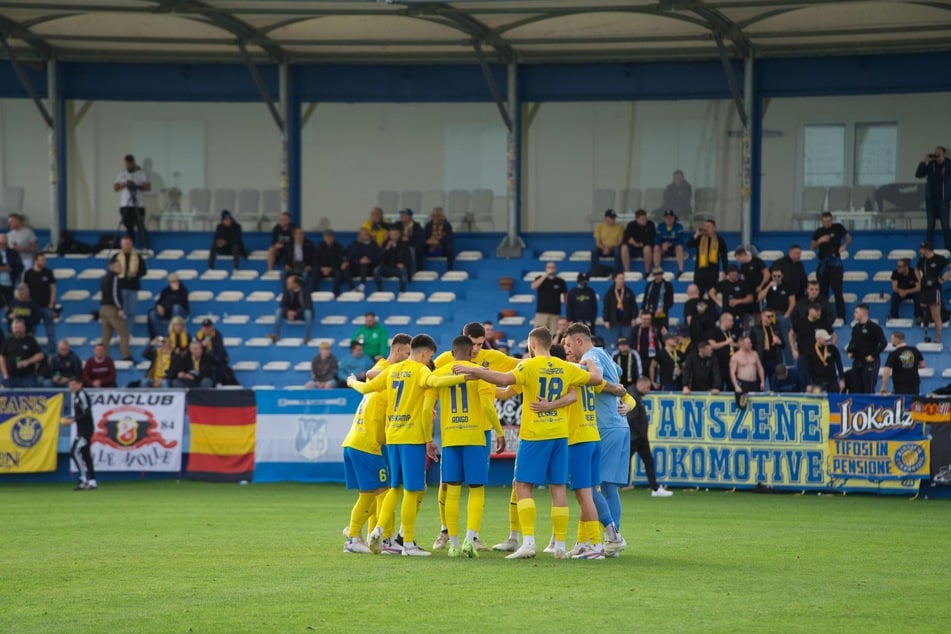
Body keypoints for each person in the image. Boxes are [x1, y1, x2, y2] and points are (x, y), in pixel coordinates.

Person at [452, 326, 601, 560]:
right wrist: (592, 362)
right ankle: (560, 545)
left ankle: (528, 542)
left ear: (532, 345)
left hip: (534, 434)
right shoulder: (565, 367)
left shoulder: (528, 366)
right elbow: (595, 379)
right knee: (558, 488)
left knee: (522, 485)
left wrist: (478, 372)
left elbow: (503, 379)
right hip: (560, 434)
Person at [354, 334, 468, 557]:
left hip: (393, 436)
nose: (429, 361)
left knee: (395, 488)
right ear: (425, 353)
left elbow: (367, 388)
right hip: (412, 437)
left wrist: (351, 382)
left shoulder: (392, 369)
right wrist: (464, 378)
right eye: (430, 357)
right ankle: (407, 544)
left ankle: (379, 531)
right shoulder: (421, 370)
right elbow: (435, 383)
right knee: (412, 490)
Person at [427, 336, 502, 558]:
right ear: (472, 352)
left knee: (452, 491)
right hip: (475, 437)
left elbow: (426, 409)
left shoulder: (439, 373)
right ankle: (470, 540)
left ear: (452, 352)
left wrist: (427, 438)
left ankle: (453, 544)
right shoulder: (480, 372)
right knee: (477, 490)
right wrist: (498, 431)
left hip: (450, 438)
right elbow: (488, 405)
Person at [562, 323, 629, 556]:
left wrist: (565, 366)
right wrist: (619, 392)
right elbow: (617, 374)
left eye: (569, 344)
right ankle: (612, 541)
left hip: (606, 427)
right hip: (618, 425)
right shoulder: (604, 353)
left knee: (587, 488)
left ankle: (613, 536)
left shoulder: (591, 356)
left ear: (580, 341)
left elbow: (595, 376)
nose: (568, 348)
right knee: (608, 487)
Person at [626, 376, 672, 497]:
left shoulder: (634, 395)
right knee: (628, 460)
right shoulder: (633, 396)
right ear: (641, 385)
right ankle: (620, 483)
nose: (648, 390)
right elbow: (631, 417)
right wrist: (640, 432)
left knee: (647, 461)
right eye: (647, 387)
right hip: (635, 437)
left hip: (638, 437)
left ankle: (655, 488)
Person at [811, 212, 851, 322]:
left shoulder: (838, 228)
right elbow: (812, 247)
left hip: (835, 264)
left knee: (838, 292)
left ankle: (841, 318)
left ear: (831, 219)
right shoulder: (819, 232)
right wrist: (820, 241)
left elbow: (848, 237)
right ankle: (823, 318)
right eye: (824, 222)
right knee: (822, 294)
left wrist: (844, 245)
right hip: (823, 264)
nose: (826, 223)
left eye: (828, 221)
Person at [846, 303, 887, 394]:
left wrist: (873, 355)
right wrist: (849, 351)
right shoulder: (856, 328)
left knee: (868, 386)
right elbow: (853, 341)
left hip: (870, 361)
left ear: (864, 313)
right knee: (856, 386)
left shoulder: (874, 327)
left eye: (856, 312)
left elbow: (883, 343)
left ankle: (870, 406)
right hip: (857, 360)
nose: (854, 314)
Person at [915, 146, 951, 250]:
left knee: (945, 226)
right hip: (931, 200)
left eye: (939, 153)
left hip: (943, 200)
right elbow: (918, 174)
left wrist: (943, 161)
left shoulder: (948, 164)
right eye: (935, 153)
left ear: (944, 154)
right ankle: (928, 248)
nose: (936, 155)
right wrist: (924, 162)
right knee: (930, 225)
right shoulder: (931, 165)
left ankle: (948, 248)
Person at [65, 376, 98, 490]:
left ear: (80, 384)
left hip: (86, 430)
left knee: (73, 451)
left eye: (73, 384)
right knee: (85, 455)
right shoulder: (76, 396)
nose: (71, 387)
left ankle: (83, 478)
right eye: (70, 385)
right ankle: (92, 481)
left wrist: (73, 419)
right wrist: (73, 418)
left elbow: (87, 412)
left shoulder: (82, 395)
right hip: (83, 429)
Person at [759, 268, 796, 366]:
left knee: (786, 339)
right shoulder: (769, 286)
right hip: (771, 316)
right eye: (774, 276)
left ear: (782, 276)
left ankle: (790, 363)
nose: (776, 278)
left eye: (778, 276)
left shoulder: (787, 286)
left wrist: (787, 314)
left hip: (783, 314)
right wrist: (768, 287)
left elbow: (792, 301)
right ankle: (778, 363)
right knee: (774, 339)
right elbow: (760, 297)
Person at [916, 240, 950, 343]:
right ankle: (926, 332)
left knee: (936, 316)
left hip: (935, 289)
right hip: (924, 288)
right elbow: (916, 270)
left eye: (922, 249)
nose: (920, 251)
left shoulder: (939, 258)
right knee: (926, 312)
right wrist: (919, 280)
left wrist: (943, 279)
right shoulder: (922, 260)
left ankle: (937, 338)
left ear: (927, 250)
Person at [114, 153, 151, 248]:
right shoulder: (122, 173)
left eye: (130, 164)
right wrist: (124, 184)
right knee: (129, 227)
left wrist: (136, 186)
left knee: (140, 226)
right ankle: (131, 247)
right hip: (126, 204)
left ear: (133, 163)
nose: (128, 166)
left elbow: (147, 186)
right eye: (127, 164)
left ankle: (145, 247)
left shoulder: (141, 173)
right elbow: (115, 187)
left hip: (138, 205)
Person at [111, 237, 147, 334]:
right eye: (124, 244)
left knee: (131, 312)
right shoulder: (116, 256)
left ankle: (129, 332)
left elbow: (144, 271)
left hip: (133, 287)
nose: (126, 246)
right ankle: (120, 332)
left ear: (132, 245)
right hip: (120, 287)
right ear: (121, 245)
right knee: (120, 312)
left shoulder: (138, 257)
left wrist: (136, 274)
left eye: (128, 244)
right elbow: (111, 271)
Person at [22, 253, 56, 355]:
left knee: (50, 331)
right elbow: (25, 290)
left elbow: (53, 289)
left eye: (44, 260)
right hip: (33, 308)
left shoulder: (48, 273)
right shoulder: (28, 274)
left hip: (46, 306)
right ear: (36, 261)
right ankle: (30, 350)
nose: (44, 262)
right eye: (42, 260)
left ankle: (52, 352)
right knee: (32, 331)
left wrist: (51, 303)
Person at [686, 218, 728, 298]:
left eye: (709, 226)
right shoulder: (700, 238)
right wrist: (696, 235)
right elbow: (689, 245)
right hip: (700, 271)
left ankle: (711, 310)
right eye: (705, 226)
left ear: (714, 228)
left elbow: (724, 256)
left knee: (712, 294)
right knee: (698, 294)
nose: (706, 228)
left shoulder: (720, 240)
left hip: (713, 271)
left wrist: (725, 271)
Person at [99, 260, 132, 361]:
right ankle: (126, 356)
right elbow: (115, 294)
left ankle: (103, 357)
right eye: (118, 266)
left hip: (103, 308)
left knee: (106, 336)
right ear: (111, 267)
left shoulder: (104, 278)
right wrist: (120, 308)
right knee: (124, 333)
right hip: (112, 309)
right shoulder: (114, 278)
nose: (120, 268)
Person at [710, 264, 754, 333]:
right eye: (731, 272)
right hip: (726, 315)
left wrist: (738, 301)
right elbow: (711, 292)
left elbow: (750, 298)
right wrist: (719, 302)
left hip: (739, 314)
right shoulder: (723, 283)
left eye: (735, 271)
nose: (733, 273)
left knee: (739, 335)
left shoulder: (743, 283)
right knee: (725, 335)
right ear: (728, 273)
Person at [270, 274, 314, 344]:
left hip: (301, 314)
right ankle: (276, 335)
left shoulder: (305, 291)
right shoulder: (287, 291)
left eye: (289, 283)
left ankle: (307, 337)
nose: (287, 284)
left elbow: (308, 306)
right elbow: (282, 305)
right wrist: (288, 312)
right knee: (278, 311)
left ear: (295, 284)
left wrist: (296, 312)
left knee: (308, 313)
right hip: (289, 313)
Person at [789, 302, 824, 386]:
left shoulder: (822, 323)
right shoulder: (800, 322)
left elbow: (833, 336)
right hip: (803, 356)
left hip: (817, 356)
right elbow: (790, 334)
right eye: (816, 310)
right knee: (803, 381)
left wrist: (830, 348)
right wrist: (793, 349)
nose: (819, 312)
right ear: (810, 311)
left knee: (817, 383)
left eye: (819, 310)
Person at [0, 319, 43, 387]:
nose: (17, 330)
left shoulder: (30, 340)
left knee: (31, 394)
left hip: (27, 377)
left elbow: (40, 355)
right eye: (15, 328)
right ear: (12, 329)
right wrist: (5, 374)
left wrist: (28, 361)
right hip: (10, 377)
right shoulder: (8, 340)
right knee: (4, 394)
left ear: (24, 328)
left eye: (19, 328)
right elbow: (2, 357)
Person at [880, 331, 924, 395]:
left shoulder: (894, 354)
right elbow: (922, 365)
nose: (891, 341)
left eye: (892, 339)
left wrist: (883, 387)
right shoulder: (915, 350)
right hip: (914, 384)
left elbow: (887, 370)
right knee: (913, 403)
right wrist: (910, 366)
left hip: (900, 385)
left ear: (897, 340)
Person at [147, 273, 189, 339]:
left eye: (176, 281)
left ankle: (174, 332)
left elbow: (181, 302)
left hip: (181, 312)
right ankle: (160, 336)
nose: (174, 283)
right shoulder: (166, 290)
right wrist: (159, 307)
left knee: (176, 308)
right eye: (172, 282)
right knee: (152, 313)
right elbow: (158, 302)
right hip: (167, 312)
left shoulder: (183, 290)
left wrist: (176, 291)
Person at [750, 309, 785, 388]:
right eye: (768, 316)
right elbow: (751, 346)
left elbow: (783, 345)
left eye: (772, 316)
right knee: (759, 384)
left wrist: (779, 341)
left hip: (774, 360)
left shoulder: (776, 329)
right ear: (762, 317)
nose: (770, 319)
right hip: (761, 360)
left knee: (775, 384)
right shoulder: (755, 329)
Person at [602, 270, 637, 347]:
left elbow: (633, 306)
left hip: (626, 321)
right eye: (620, 279)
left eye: (623, 279)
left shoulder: (628, 292)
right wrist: (606, 320)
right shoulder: (610, 293)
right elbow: (606, 307)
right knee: (614, 343)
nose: (622, 281)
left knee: (626, 341)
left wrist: (634, 318)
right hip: (614, 321)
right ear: (615, 279)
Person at [531, 261, 567, 333]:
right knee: (539, 334)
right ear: (545, 268)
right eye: (549, 267)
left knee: (553, 334)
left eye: (553, 267)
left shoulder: (560, 281)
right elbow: (533, 286)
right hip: (541, 313)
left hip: (555, 313)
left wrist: (567, 311)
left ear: (556, 269)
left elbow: (566, 297)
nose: (551, 269)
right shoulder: (540, 278)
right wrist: (546, 275)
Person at [683, 283, 719, 353]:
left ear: (687, 293)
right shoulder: (708, 303)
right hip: (711, 335)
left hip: (698, 338)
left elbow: (689, 320)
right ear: (698, 292)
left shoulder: (688, 304)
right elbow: (716, 317)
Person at [374, 227, 411, 294]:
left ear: (399, 235)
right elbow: (379, 257)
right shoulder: (385, 244)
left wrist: (403, 264)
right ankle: (380, 290)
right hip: (387, 267)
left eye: (395, 235)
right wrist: (387, 248)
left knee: (404, 272)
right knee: (377, 270)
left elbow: (409, 259)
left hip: (398, 269)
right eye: (391, 235)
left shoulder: (404, 245)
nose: (393, 237)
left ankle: (401, 291)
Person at [343, 227, 380, 292]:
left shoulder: (374, 244)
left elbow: (377, 257)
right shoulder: (355, 244)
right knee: (345, 266)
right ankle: (352, 288)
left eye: (366, 234)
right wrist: (347, 262)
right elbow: (349, 256)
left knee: (364, 263)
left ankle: (362, 285)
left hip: (369, 268)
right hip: (357, 266)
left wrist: (369, 260)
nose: (365, 236)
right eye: (362, 234)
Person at [807, 329, 845, 393]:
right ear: (818, 339)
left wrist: (842, 379)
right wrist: (808, 383)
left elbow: (839, 364)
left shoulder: (832, 349)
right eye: (825, 339)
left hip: (832, 380)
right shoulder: (810, 351)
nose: (827, 340)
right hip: (817, 382)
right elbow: (807, 368)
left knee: (834, 399)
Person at [620, 209, 655, 275]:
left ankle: (647, 272)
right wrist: (632, 242)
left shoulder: (650, 225)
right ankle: (627, 271)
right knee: (624, 248)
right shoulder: (631, 225)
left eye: (645, 218)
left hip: (644, 247)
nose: (645, 220)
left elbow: (652, 238)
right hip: (633, 248)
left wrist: (640, 244)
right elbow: (626, 238)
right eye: (642, 219)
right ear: (637, 219)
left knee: (647, 249)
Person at [195, 318, 229, 384]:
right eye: (205, 327)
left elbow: (219, 348)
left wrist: (211, 344)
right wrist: (201, 344)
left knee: (219, 362)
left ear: (212, 327)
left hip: (214, 355)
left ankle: (219, 382)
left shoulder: (217, 335)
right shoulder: (199, 335)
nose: (206, 329)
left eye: (208, 327)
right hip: (203, 356)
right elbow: (196, 346)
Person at [654, 209, 686, 278]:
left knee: (679, 247)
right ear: (664, 218)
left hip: (674, 249)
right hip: (663, 249)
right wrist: (662, 245)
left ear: (674, 218)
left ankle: (681, 270)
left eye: (671, 218)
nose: (669, 219)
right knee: (656, 248)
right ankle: (657, 269)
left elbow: (680, 240)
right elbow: (657, 240)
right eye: (667, 217)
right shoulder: (660, 226)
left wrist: (670, 244)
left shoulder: (679, 227)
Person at [631, 310, 663, 377]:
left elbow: (661, 342)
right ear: (641, 318)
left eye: (649, 319)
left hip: (652, 358)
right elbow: (632, 343)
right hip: (639, 357)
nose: (647, 321)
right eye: (645, 319)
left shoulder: (655, 329)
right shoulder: (635, 329)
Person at [315, 229, 346, 296]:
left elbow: (339, 260)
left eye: (330, 236)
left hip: (333, 268)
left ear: (333, 237)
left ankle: (336, 292)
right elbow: (316, 259)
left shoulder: (338, 247)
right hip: (322, 268)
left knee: (338, 273)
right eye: (327, 236)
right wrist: (322, 268)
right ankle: (314, 291)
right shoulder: (320, 246)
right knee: (315, 271)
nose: (328, 238)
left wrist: (330, 268)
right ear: (324, 237)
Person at [396, 209, 425, 275]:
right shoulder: (398, 225)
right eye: (401, 215)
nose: (401, 216)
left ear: (409, 217)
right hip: (400, 246)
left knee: (412, 251)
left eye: (403, 215)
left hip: (412, 246)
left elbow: (419, 239)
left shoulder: (416, 226)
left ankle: (413, 272)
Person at [0, 233, 23, 307]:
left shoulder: (13, 253)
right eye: (1, 243)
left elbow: (20, 267)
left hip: (9, 283)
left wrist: (11, 269)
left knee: (11, 306)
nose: (3, 245)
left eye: (4, 244)